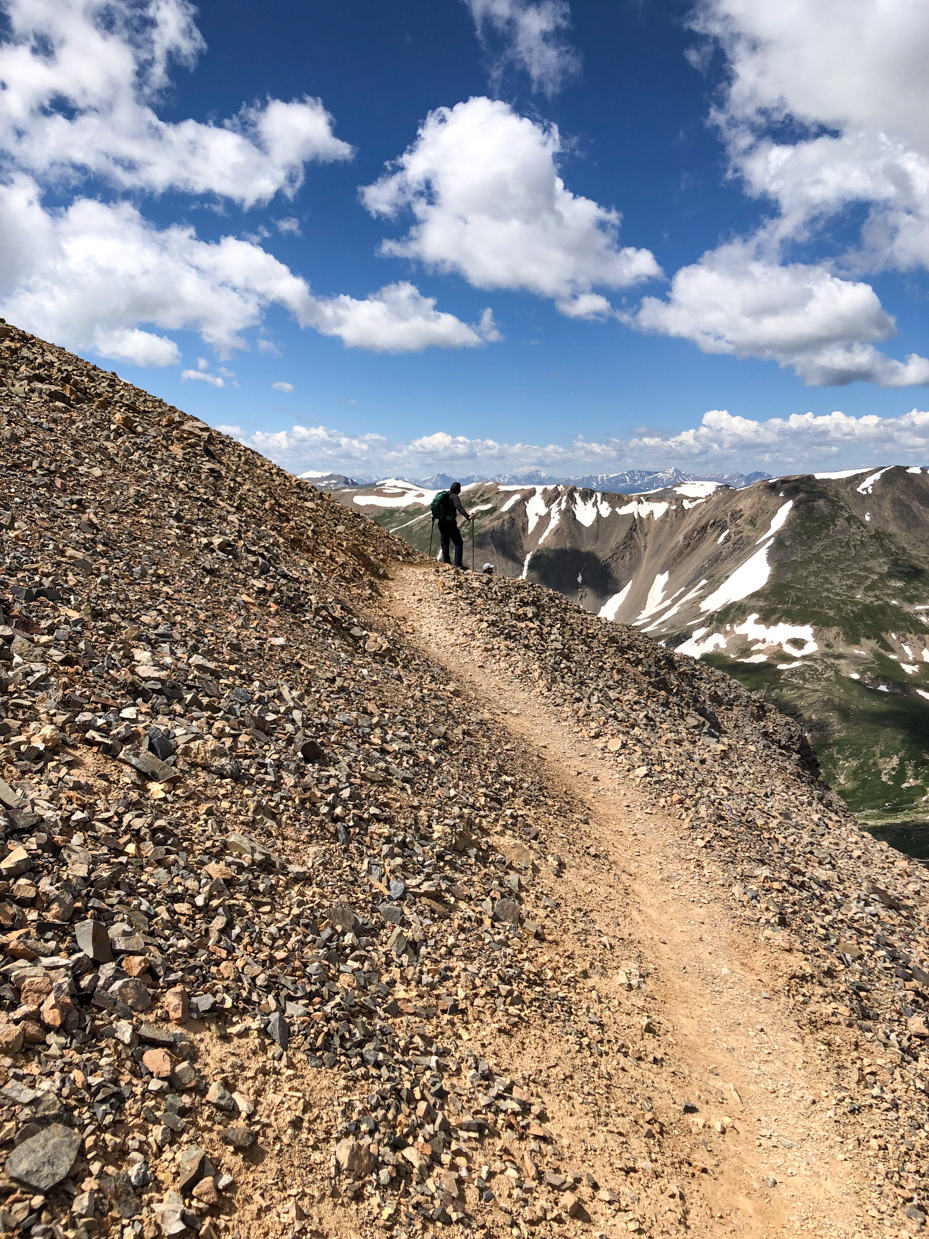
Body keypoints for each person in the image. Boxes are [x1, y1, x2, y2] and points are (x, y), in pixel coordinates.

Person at [438, 481, 473, 568]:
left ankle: (447, 563)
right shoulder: (454, 496)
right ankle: (458, 564)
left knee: (445, 543)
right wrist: (467, 516)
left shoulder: (444, 496)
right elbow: (459, 507)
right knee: (458, 542)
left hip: (441, 522)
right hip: (449, 523)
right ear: (458, 489)